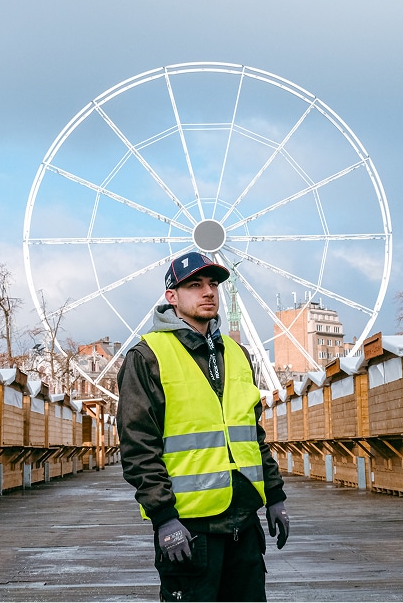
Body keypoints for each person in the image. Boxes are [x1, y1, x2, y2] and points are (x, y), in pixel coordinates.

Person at [117, 251, 290, 602]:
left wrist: (275, 496)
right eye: (195, 285)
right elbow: (138, 447)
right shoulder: (148, 356)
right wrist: (163, 517)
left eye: (213, 284)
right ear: (172, 297)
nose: (208, 292)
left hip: (244, 522)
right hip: (190, 529)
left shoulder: (237, 354)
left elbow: (252, 434)